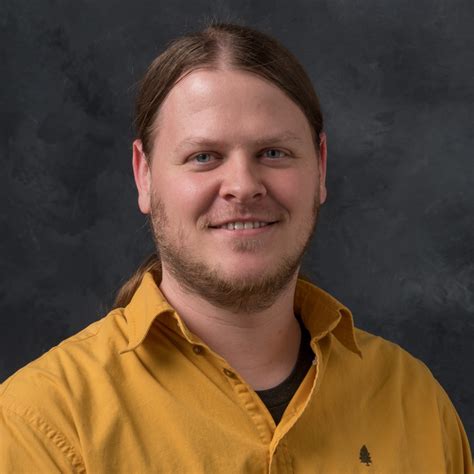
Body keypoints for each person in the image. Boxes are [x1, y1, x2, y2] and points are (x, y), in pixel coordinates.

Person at [0, 22, 471, 473]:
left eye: (274, 153)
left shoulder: (416, 403)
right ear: (144, 175)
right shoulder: (43, 422)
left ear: (320, 167)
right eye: (203, 156)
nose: (243, 186)